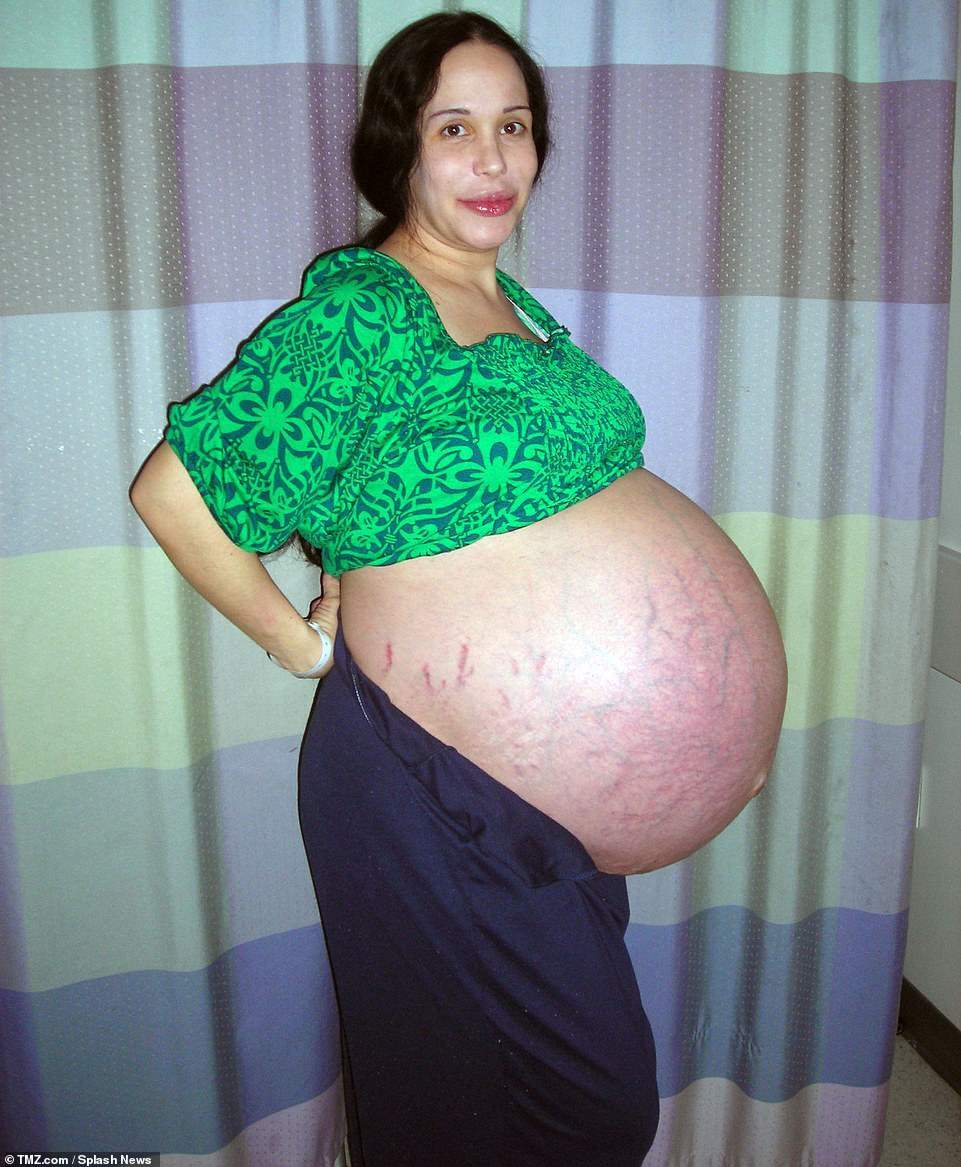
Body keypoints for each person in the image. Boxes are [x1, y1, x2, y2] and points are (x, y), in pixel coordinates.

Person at [131, 10, 787, 1166]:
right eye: (454, 128)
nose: (493, 159)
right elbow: (176, 494)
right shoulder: (367, 309)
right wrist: (299, 644)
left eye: (514, 127)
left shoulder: (519, 313)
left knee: (514, 1109)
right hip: (434, 785)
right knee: (558, 1111)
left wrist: (715, 723)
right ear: (401, 150)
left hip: (529, 807)